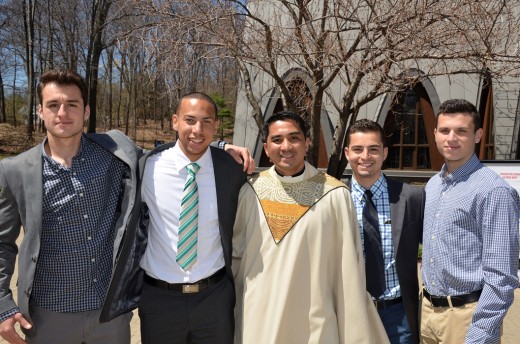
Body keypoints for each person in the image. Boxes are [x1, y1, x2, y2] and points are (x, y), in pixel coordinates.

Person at [0, 71, 254, 344]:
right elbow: (3, 243)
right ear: (40, 110)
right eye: (53, 105)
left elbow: (185, 145)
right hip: (49, 314)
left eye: (72, 104)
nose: (63, 113)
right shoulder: (14, 170)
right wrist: (3, 304)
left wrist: (221, 146)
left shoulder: (115, 152)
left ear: (86, 111)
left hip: (109, 316)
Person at [232, 111, 389, 343]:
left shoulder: (334, 194)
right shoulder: (249, 191)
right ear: (266, 148)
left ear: (307, 143)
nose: (286, 146)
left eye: (294, 138)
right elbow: (236, 261)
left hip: (314, 320)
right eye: (277, 140)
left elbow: (347, 270)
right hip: (258, 317)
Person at [138, 92, 247, 344]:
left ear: (216, 126)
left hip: (214, 300)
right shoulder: (147, 167)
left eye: (206, 121)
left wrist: (224, 147)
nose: (198, 129)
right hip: (159, 300)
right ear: (175, 121)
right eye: (190, 120)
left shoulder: (231, 170)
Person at [420, 99, 520, 343]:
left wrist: (481, 333)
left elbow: (502, 275)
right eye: (444, 130)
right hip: (428, 314)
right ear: (435, 134)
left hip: (467, 318)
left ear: (477, 135)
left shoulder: (493, 191)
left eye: (461, 131)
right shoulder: (433, 185)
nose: (451, 138)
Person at [344, 119, 424, 344]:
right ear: (347, 153)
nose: (365, 156)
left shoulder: (411, 197)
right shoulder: (335, 199)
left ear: (385, 153)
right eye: (358, 149)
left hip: (399, 315)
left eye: (373, 149)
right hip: (352, 311)